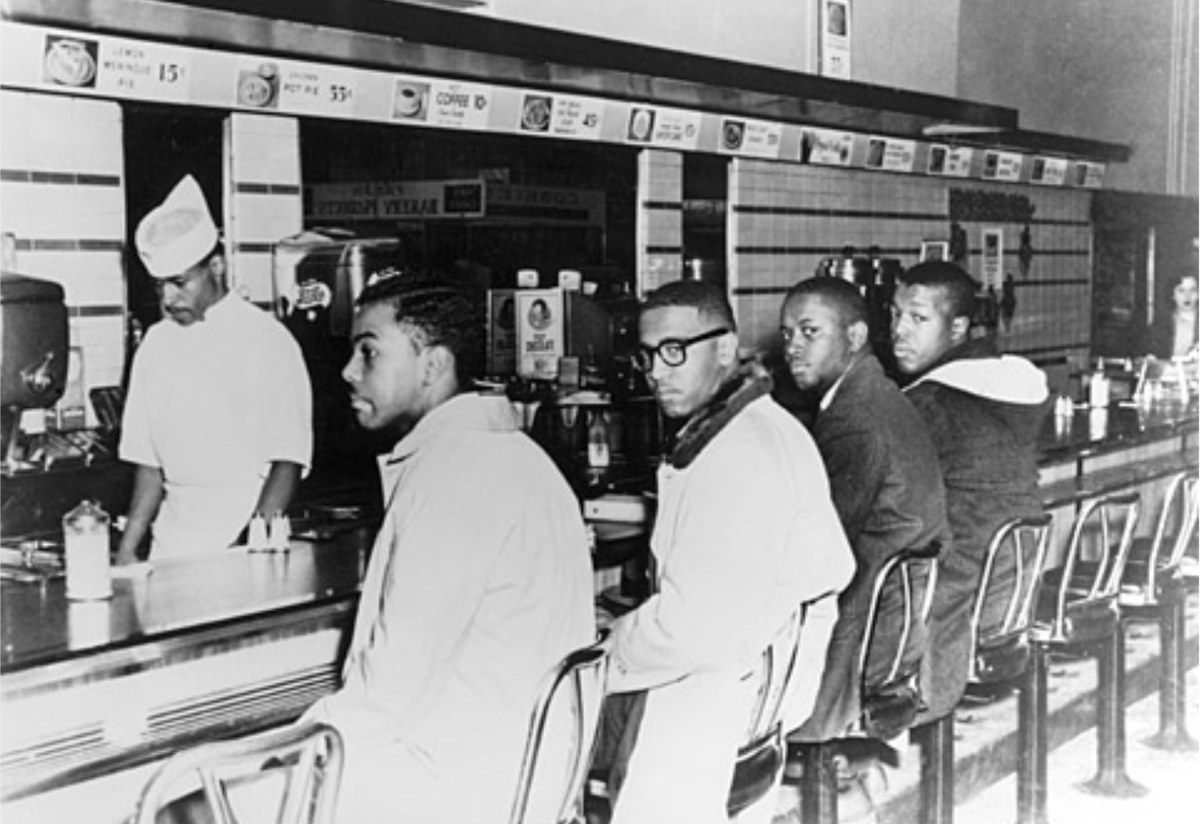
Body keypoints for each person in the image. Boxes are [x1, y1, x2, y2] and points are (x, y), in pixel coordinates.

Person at [300, 274, 595, 823]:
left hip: (456, 792)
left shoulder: (455, 476)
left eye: (369, 353)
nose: (347, 371)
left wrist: (283, 752)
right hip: (530, 783)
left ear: (433, 366)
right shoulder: (519, 456)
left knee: (191, 804)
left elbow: (387, 698)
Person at [604, 280, 854, 824]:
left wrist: (605, 648)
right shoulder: (771, 426)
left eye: (674, 351)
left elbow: (690, 631)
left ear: (724, 348)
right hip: (763, 703)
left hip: (705, 712)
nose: (657, 372)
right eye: (647, 356)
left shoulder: (735, 454)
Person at [779, 277, 949, 743]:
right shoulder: (877, 393)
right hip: (897, 622)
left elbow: (822, 548)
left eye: (810, 332)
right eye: (787, 334)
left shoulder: (854, 419)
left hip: (860, 635)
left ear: (854, 336)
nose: (793, 347)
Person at [117, 176, 312, 561]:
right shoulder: (155, 346)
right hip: (170, 546)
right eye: (159, 287)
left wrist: (252, 547)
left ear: (217, 266)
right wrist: (127, 550)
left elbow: (287, 460)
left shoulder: (266, 340)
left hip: (243, 536)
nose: (168, 299)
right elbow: (149, 464)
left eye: (179, 283)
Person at [890, 261, 1049, 723]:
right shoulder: (1008, 385)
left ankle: (853, 745)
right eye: (896, 314)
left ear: (957, 326)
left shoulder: (929, 403)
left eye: (918, 319)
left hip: (954, 605)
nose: (900, 331)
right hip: (1009, 589)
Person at [1146, 272, 1198, 359]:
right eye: (1181, 290)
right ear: (1172, 295)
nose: (1187, 296)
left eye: (1193, 290)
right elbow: (1151, 352)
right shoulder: (1161, 323)